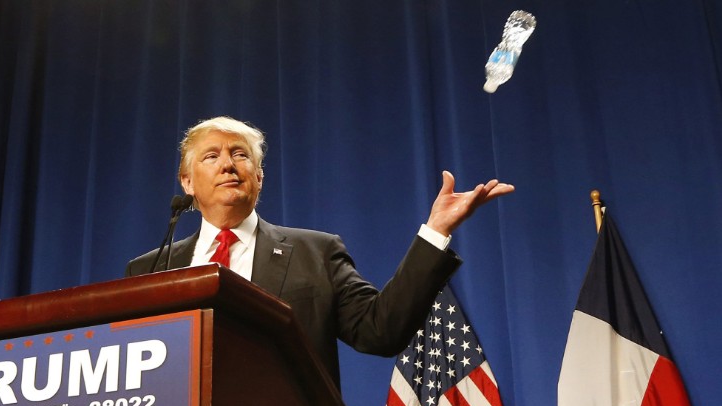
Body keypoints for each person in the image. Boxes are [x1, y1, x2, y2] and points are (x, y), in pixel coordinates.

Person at [126, 116, 512, 388]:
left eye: (241, 154)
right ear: (187, 181)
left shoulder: (315, 252)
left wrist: (436, 231)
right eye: (211, 156)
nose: (228, 164)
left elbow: (380, 331)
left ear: (259, 177)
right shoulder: (151, 269)